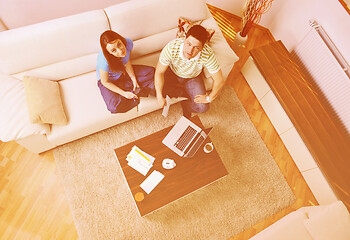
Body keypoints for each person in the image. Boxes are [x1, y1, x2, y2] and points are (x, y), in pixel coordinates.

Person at [155, 25, 225, 118]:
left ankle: (186, 104)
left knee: (203, 108)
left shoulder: (207, 54)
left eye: (196, 47)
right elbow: (159, 72)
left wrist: (209, 98)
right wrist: (159, 95)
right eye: (188, 44)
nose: (190, 50)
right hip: (172, 74)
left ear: (202, 48)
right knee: (154, 88)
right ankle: (183, 93)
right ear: (184, 39)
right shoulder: (171, 48)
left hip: (192, 77)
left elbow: (219, 80)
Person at [97, 30, 156, 113]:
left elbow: (126, 62)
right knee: (113, 107)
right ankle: (130, 91)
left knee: (151, 72)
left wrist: (134, 79)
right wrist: (124, 93)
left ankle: (130, 87)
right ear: (109, 53)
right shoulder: (103, 60)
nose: (120, 51)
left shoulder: (128, 43)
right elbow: (105, 82)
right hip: (108, 81)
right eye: (114, 50)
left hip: (122, 72)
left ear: (120, 39)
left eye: (119, 44)